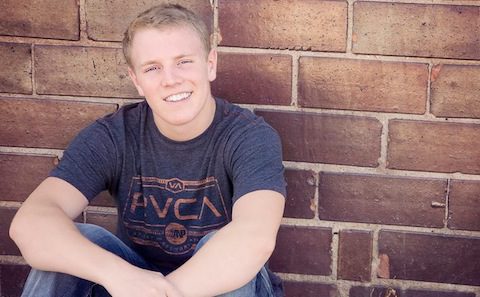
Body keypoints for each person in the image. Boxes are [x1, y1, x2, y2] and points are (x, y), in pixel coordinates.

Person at [9, 3, 286, 297]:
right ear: (136, 80)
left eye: (184, 62)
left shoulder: (248, 136)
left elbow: (254, 237)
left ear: (211, 64)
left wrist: (162, 294)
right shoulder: (114, 136)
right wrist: (119, 276)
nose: (171, 79)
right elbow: (31, 222)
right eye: (153, 68)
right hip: (135, 283)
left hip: (219, 288)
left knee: (227, 252)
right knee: (67, 248)